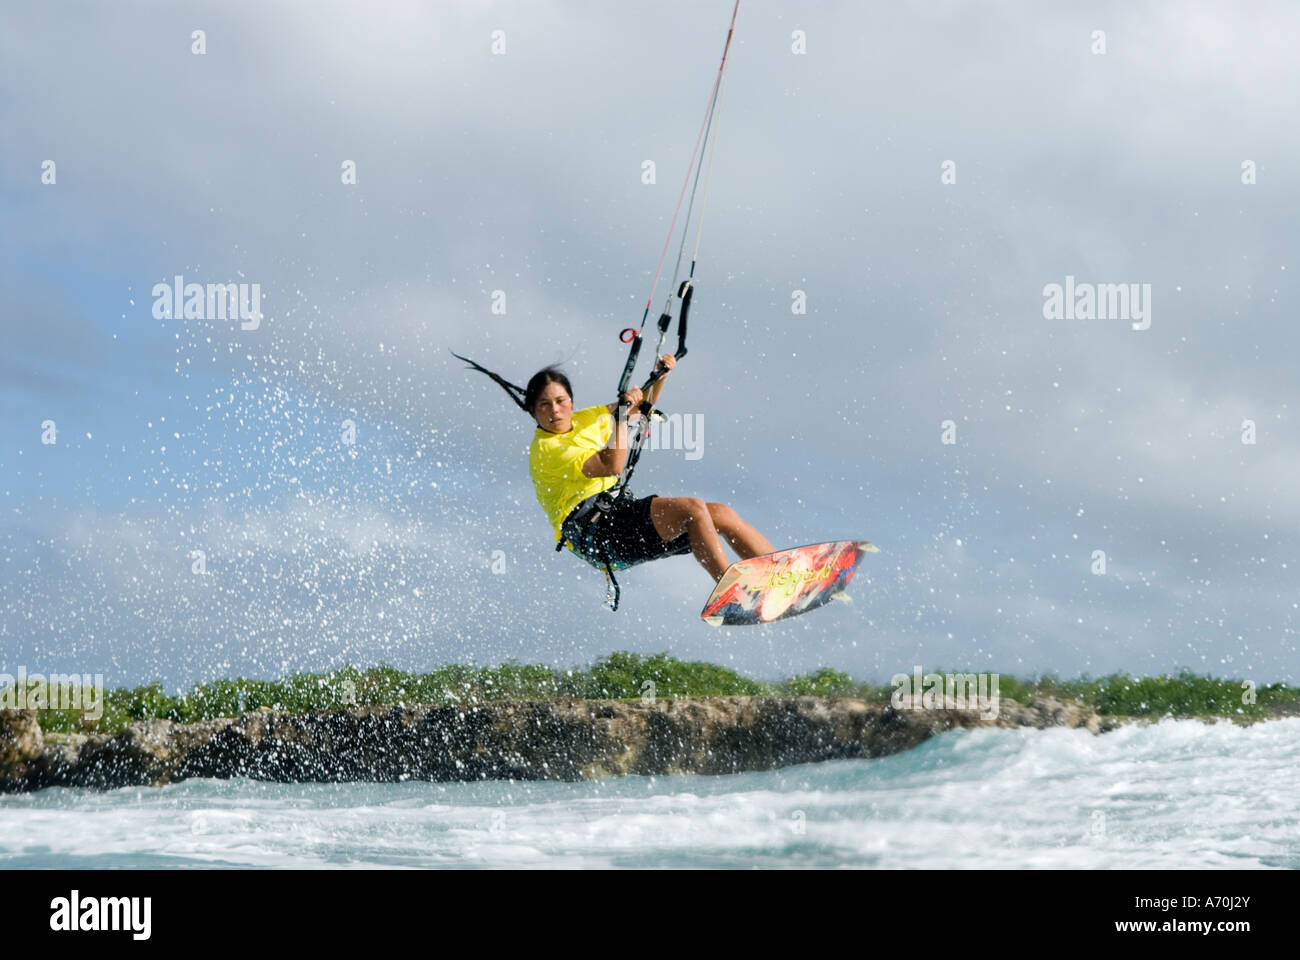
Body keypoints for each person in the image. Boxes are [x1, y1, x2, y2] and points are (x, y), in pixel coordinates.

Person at [453, 351, 775, 584]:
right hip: (596, 534)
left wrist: (660, 375)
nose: (555, 410)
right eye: (544, 405)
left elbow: (640, 410)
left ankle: (779, 574)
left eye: (561, 400)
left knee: (720, 513)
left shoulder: (584, 419)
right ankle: (731, 590)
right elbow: (612, 464)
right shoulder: (547, 452)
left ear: (572, 401)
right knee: (692, 508)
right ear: (533, 411)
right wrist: (621, 415)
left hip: (617, 514)